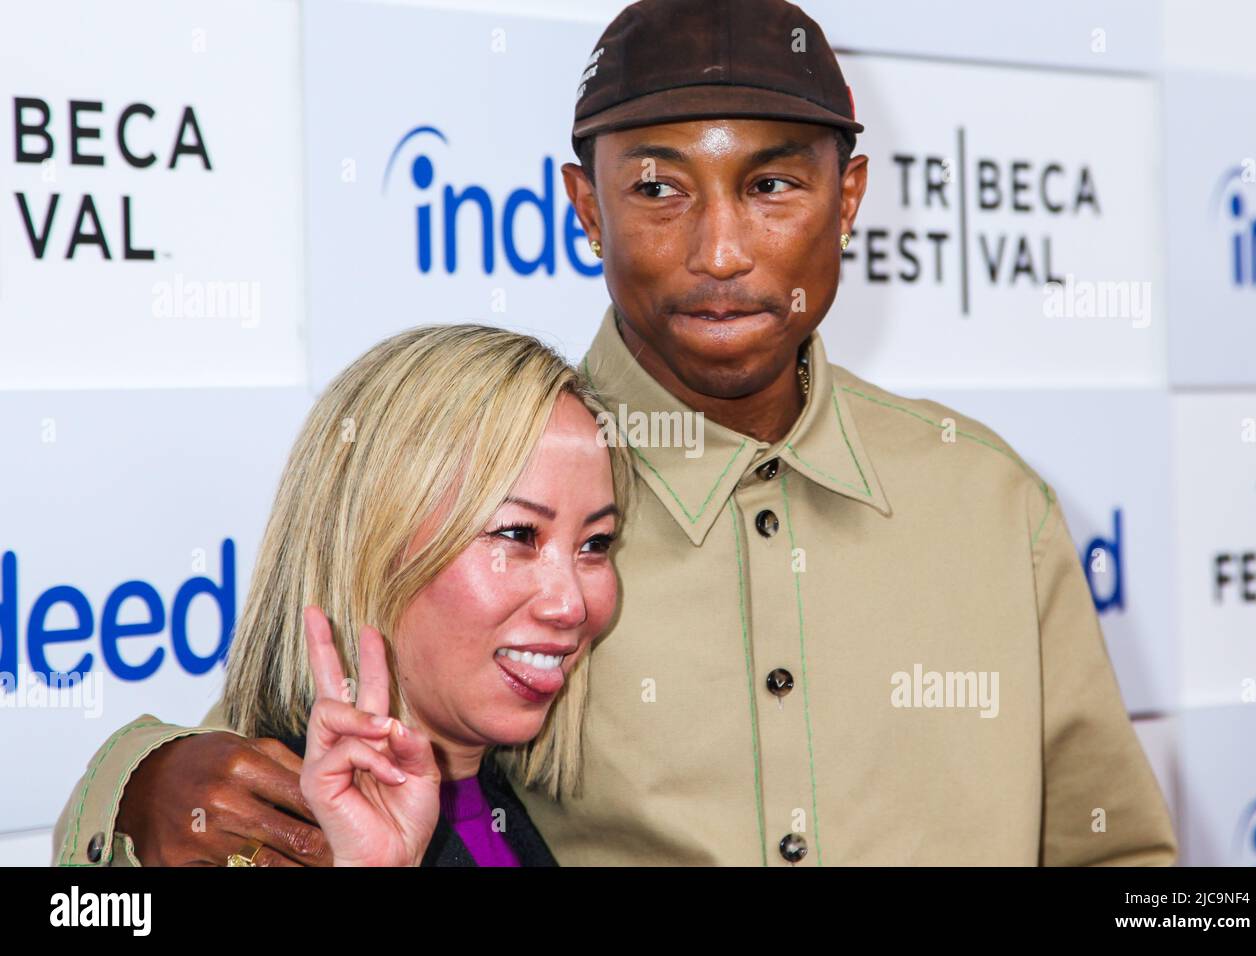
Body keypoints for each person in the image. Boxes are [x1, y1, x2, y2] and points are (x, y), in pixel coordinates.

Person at [52, 0, 1177, 867]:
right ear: (585, 206)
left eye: (774, 184)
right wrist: (141, 789)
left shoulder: (988, 501)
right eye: (657, 189)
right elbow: (281, 761)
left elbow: (1117, 851)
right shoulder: (481, 475)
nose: (721, 249)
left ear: (850, 199)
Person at [56, 323, 632, 866]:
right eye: (517, 535)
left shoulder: (512, 799)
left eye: (596, 543)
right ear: (370, 544)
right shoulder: (248, 833)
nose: (571, 604)